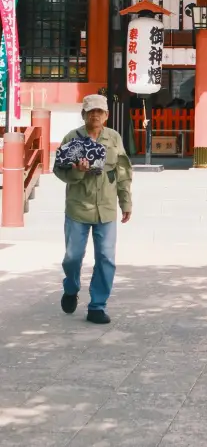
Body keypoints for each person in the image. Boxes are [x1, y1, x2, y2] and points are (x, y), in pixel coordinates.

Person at [54, 94, 133, 325]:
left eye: (99, 111)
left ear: (106, 115)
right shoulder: (72, 137)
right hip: (78, 208)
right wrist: (78, 171)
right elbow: (59, 170)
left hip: (106, 209)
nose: (95, 115)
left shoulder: (114, 138)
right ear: (83, 114)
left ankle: (97, 306)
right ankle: (71, 287)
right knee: (72, 257)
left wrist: (125, 202)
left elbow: (122, 173)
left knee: (106, 258)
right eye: (91, 111)